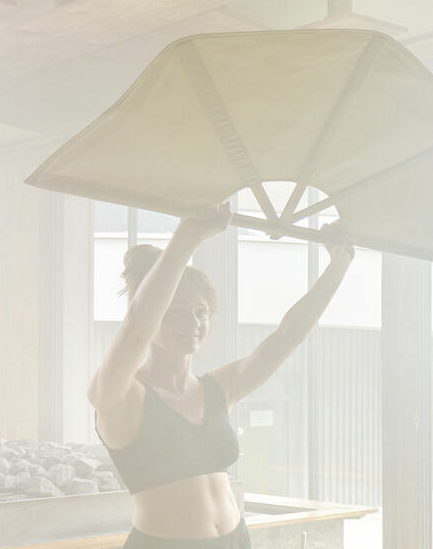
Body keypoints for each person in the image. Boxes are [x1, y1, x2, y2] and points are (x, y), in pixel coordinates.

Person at [88, 202, 355, 548]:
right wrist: (187, 237)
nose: (194, 323)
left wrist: (339, 264)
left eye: (202, 312)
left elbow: (289, 335)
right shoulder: (118, 394)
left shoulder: (216, 389)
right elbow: (135, 331)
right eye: (177, 312)